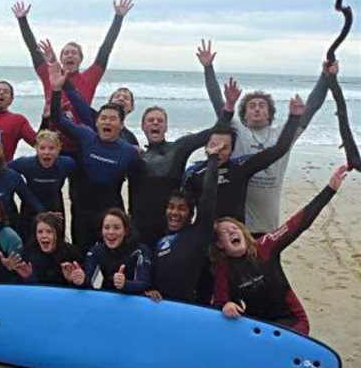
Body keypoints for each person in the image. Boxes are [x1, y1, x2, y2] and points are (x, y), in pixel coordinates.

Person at [198, 40, 334, 234]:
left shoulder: (283, 135)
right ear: (243, 114)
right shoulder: (237, 131)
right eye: (251, 106)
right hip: (236, 224)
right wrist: (208, 68)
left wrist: (325, 77)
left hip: (267, 223)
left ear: (270, 114)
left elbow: (310, 108)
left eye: (262, 105)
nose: (257, 109)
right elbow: (217, 101)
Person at [211, 165, 349, 335]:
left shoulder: (264, 246)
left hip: (292, 320)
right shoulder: (223, 267)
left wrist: (330, 189)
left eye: (235, 228)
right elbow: (220, 301)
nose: (232, 231)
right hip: (257, 325)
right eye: (225, 232)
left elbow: (298, 223)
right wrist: (227, 305)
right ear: (220, 244)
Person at [12, 0, 133, 153]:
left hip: (80, 142)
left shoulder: (90, 77)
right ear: (60, 58)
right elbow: (33, 49)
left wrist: (118, 18)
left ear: (81, 59)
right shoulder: (49, 74)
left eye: (74, 53)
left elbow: (105, 49)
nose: (70, 56)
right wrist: (22, 20)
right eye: (66, 53)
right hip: (51, 141)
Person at [183, 77, 303, 225]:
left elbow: (279, 149)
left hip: (237, 233)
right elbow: (185, 208)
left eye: (225, 147)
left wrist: (294, 117)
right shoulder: (194, 173)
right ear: (206, 146)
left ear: (232, 150)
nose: (218, 150)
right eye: (214, 145)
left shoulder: (240, 168)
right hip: (206, 236)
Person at [48, 69, 140, 249]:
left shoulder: (130, 150)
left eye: (112, 119)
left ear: (121, 125)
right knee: (81, 252)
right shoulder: (86, 136)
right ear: (96, 121)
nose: (107, 122)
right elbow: (57, 118)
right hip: (81, 210)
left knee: (108, 255)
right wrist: (57, 89)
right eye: (103, 118)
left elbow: (139, 184)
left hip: (109, 214)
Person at [129, 103, 224, 246]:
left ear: (166, 127)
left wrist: (228, 108)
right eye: (150, 120)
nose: (155, 123)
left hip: (171, 226)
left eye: (160, 121)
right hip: (140, 228)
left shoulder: (178, 148)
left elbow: (214, 130)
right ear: (143, 126)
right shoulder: (133, 155)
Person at [148, 138, 223, 303]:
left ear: (191, 215)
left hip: (190, 309)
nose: (174, 212)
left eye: (181, 209)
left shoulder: (197, 234)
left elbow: (208, 198)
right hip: (162, 307)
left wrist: (213, 159)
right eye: (171, 207)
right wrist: (150, 289)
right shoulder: (160, 242)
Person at [68, 208, 152, 295]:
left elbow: (145, 283)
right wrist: (81, 280)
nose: (111, 232)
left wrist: (125, 284)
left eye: (116, 228)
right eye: (106, 228)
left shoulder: (140, 250)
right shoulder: (96, 251)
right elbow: (90, 280)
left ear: (126, 231)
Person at [9, 130, 77, 235]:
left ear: (59, 149)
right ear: (36, 149)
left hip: (55, 207)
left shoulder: (67, 164)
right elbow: (3, 171)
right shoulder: (26, 164)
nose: (46, 152)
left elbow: (82, 179)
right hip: (30, 208)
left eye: (51, 148)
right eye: (42, 148)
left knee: (56, 241)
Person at [13, 213, 82, 286]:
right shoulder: (28, 253)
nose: (44, 236)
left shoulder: (71, 253)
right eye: (40, 232)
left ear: (57, 234)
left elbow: (85, 285)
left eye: (49, 231)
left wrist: (71, 280)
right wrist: (28, 277)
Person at [0, 80, 38, 162]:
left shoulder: (18, 120)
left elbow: (38, 143)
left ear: (11, 100)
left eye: (6, 92)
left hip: (5, 170)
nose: (1, 93)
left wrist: (46, 119)